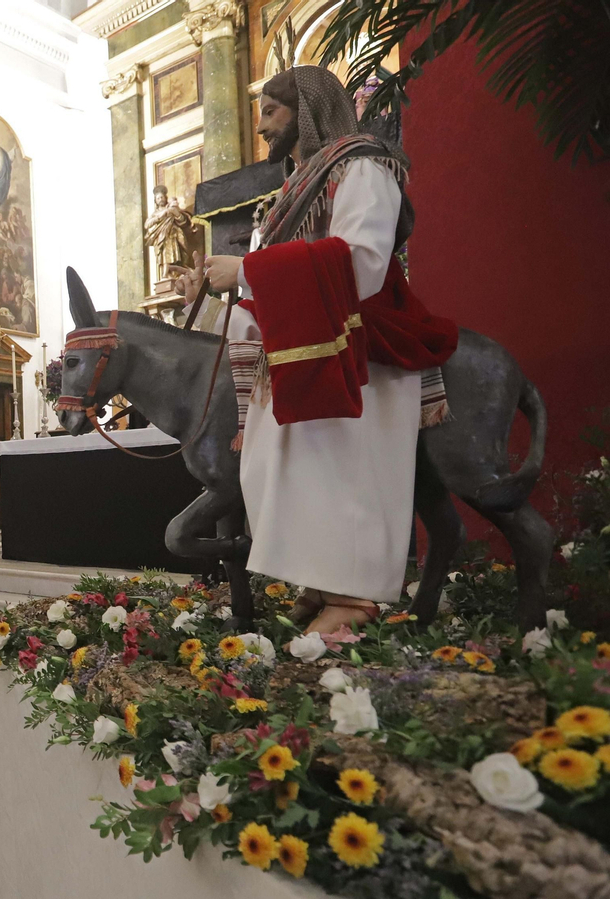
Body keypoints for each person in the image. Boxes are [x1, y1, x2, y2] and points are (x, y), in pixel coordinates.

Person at [172, 66, 456, 636]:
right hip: (302, 340)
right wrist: (217, 284)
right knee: (276, 467)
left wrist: (248, 270)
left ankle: (353, 599)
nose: (261, 128)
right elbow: (267, 276)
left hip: (358, 343)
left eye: (271, 113)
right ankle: (321, 583)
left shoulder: (360, 166)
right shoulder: (297, 186)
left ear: (306, 109)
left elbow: (363, 261)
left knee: (339, 470)